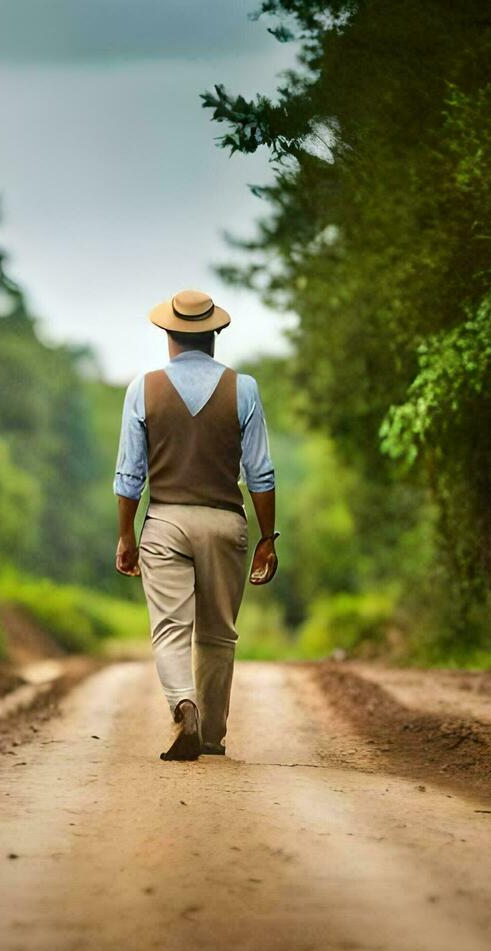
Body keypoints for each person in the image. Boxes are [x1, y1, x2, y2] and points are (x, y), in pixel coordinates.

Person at [113, 289, 277, 761]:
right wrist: (267, 538)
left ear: (168, 335)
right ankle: (210, 736)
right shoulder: (243, 388)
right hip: (225, 521)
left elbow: (129, 475)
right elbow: (260, 474)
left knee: (170, 629)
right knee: (217, 633)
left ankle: (183, 703)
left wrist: (127, 534)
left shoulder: (142, 389)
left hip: (164, 521)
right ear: (215, 335)